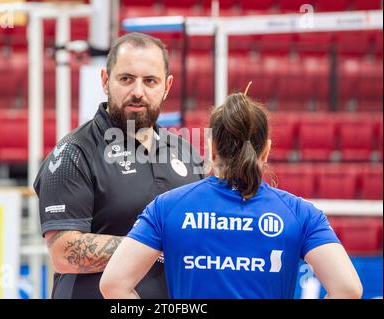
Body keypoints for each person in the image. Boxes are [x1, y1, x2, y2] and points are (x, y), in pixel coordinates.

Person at [99, 93, 363, 299]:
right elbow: (348, 289)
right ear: (267, 150)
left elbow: (114, 285)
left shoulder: (167, 207)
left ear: (211, 148)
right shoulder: (301, 214)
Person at [34, 33, 204, 299]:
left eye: (150, 81)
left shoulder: (186, 152)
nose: (138, 91)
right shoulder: (74, 153)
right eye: (126, 79)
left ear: (167, 87)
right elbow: (64, 252)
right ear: (105, 80)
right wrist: (155, 246)